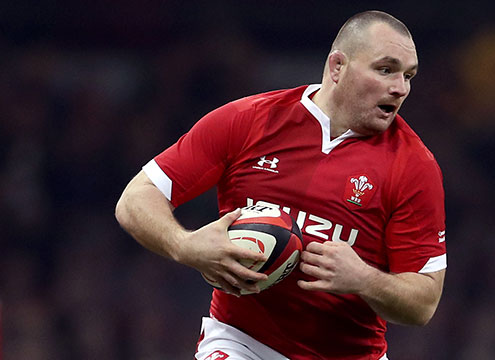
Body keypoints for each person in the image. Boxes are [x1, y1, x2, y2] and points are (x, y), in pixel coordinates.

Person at [115, 10, 447, 360]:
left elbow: (423, 302)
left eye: (408, 75)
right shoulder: (250, 120)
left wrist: (364, 278)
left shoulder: (415, 167)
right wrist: (184, 245)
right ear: (338, 67)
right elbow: (135, 199)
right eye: (385, 69)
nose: (400, 88)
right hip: (242, 342)